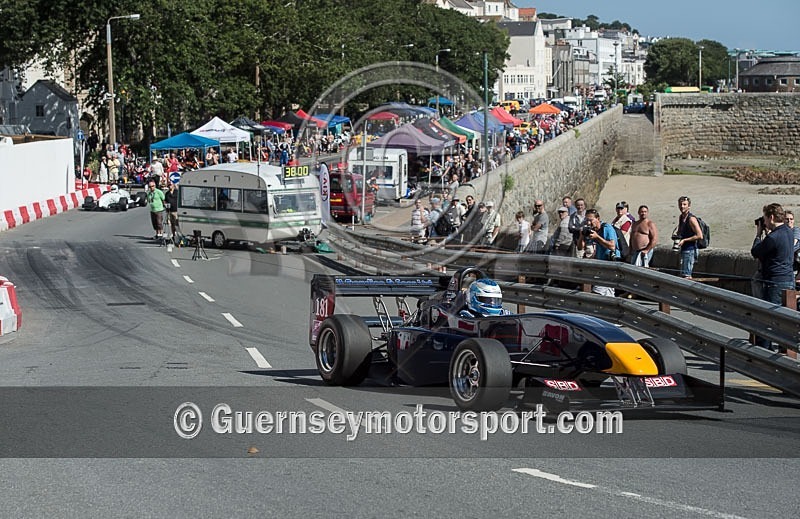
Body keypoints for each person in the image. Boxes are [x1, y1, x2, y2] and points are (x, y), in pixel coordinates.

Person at [751, 203, 795, 350]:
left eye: (765, 219)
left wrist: (758, 234)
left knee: (767, 319)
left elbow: (756, 252)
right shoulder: (789, 231)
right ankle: (785, 350)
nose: (764, 223)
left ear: (771, 217)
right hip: (788, 279)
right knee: (785, 320)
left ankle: (764, 352)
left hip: (774, 282)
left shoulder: (773, 237)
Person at [581, 208, 619, 297]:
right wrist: (581, 235)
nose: (589, 223)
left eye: (591, 220)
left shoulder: (607, 228)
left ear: (598, 218)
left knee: (596, 293)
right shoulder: (594, 231)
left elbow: (612, 246)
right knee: (608, 295)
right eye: (587, 220)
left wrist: (597, 237)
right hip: (601, 264)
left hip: (610, 264)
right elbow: (580, 247)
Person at [673, 196, 703, 278]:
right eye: (680, 204)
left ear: (689, 206)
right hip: (683, 249)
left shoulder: (691, 219)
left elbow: (700, 235)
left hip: (690, 250)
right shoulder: (681, 217)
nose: (682, 206)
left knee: (687, 275)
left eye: (684, 204)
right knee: (682, 275)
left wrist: (685, 240)